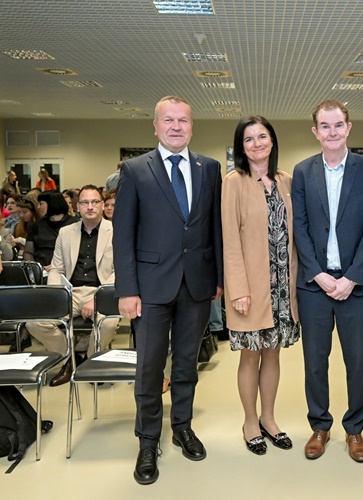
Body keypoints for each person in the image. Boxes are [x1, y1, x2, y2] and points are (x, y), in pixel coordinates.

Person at [114, 96, 223, 485]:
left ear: (192, 126)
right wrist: (127, 289)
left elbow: (214, 228)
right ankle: (147, 441)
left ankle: (182, 427)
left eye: (183, 120)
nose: (176, 126)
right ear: (155, 126)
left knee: (186, 365)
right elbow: (123, 235)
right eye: (168, 120)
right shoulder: (135, 170)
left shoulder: (209, 168)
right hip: (149, 288)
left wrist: (218, 279)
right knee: (149, 368)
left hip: (196, 284)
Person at [292, 99, 363, 463]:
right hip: (314, 286)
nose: (332, 132)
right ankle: (320, 426)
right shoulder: (303, 171)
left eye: (338, 125)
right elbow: (299, 226)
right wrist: (316, 273)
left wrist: (352, 277)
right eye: (325, 126)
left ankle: (355, 429)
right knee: (315, 362)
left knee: (358, 362)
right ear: (316, 131)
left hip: (356, 287)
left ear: (349, 127)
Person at [222, 116, 299, 456]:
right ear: (241, 146)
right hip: (251, 289)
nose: (257, 144)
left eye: (262, 136)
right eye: (249, 139)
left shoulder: (286, 180)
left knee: (273, 353)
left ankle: (269, 418)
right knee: (250, 356)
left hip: (283, 287)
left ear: (272, 141)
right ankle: (250, 421)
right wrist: (238, 288)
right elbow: (229, 240)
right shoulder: (233, 183)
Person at [25, 185, 119, 386]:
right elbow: (56, 269)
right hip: (70, 292)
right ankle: (70, 359)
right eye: (85, 202)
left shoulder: (117, 231)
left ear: (102, 205)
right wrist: (58, 295)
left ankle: (91, 363)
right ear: (77, 207)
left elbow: (120, 271)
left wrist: (98, 298)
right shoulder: (66, 232)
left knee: (109, 323)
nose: (90, 207)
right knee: (34, 323)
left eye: (95, 202)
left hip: (102, 291)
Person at [24, 191, 77, 271]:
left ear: (51, 203)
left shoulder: (74, 224)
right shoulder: (36, 225)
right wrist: (35, 268)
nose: (38, 207)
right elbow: (28, 252)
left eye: (41, 204)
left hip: (65, 269)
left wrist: (56, 265)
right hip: (40, 270)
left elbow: (77, 252)